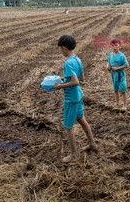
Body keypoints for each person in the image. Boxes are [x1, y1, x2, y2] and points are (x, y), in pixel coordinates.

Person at [55, 35, 97, 163]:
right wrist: (64, 80)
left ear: (63, 47)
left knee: (69, 127)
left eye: (60, 49)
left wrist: (60, 85)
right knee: (83, 121)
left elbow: (75, 82)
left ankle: (74, 154)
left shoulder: (68, 63)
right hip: (78, 96)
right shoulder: (77, 59)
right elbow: (82, 78)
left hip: (71, 99)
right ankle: (92, 144)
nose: (60, 51)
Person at [107, 38, 129, 111]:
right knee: (115, 90)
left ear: (119, 46)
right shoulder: (110, 55)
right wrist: (108, 66)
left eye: (116, 45)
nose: (114, 47)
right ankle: (117, 103)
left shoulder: (122, 56)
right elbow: (109, 62)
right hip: (113, 75)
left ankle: (125, 105)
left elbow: (126, 65)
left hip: (120, 76)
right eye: (112, 45)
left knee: (123, 90)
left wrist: (117, 68)